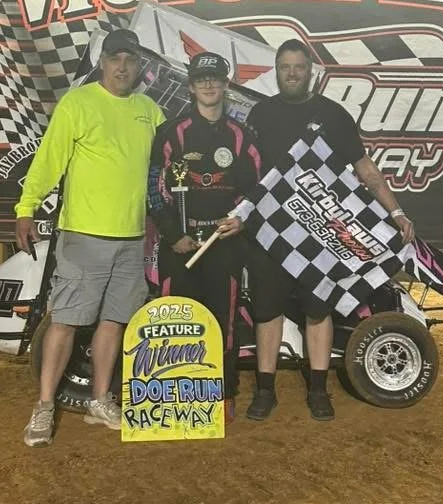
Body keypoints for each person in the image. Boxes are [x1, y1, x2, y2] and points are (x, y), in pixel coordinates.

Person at [244, 39, 415, 422]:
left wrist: (397, 211)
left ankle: (319, 390)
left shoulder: (333, 115)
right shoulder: (260, 113)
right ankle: (265, 390)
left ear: (311, 72)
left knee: (318, 310)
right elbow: (246, 175)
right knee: (267, 312)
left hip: (321, 235)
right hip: (270, 233)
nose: (292, 73)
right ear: (276, 69)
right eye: (285, 66)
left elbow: (365, 170)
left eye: (299, 67)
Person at [16, 29, 165, 447]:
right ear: (102, 62)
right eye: (115, 59)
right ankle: (44, 406)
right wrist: (26, 208)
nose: (122, 67)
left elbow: (171, 164)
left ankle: (99, 400)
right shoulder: (78, 103)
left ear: (139, 67)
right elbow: (49, 160)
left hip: (133, 238)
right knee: (65, 321)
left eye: (130, 60)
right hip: (83, 235)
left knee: (113, 322)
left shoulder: (149, 112)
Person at [146, 51, 261, 422]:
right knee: (171, 319)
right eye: (201, 80)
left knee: (221, 321)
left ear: (226, 85)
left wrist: (241, 220)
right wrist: (172, 234)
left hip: (223, 243)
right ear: (191, 85)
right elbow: (152, 190)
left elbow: (258, 190)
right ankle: (168, 399)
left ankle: (222, 394)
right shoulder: (171, 132)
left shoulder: (243, 137)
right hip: (178, 244)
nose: (209, 85)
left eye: (215, 79)